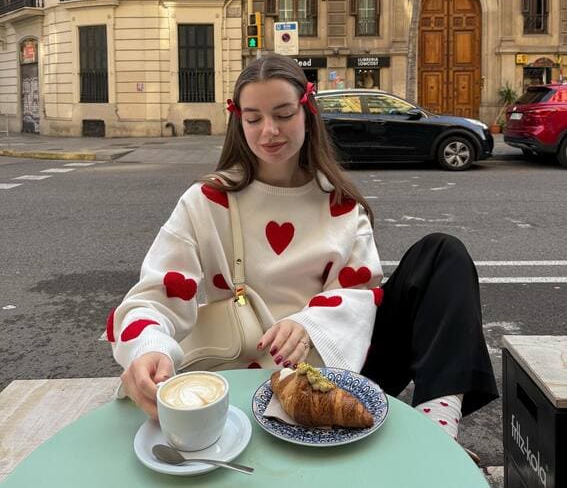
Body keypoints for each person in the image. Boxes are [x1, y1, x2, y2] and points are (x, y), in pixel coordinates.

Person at [108, 54, 497, 456]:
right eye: (253, 117)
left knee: (442, 253)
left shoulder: (342, 204)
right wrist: (148, 347)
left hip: (339, 368)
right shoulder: (207, 202)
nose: (269, 131)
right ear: (238, 122)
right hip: (246, 371)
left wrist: (309, 324)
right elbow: (158, 292)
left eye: (283, 113)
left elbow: (360, 291)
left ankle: (438, 432)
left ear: (307, 113)